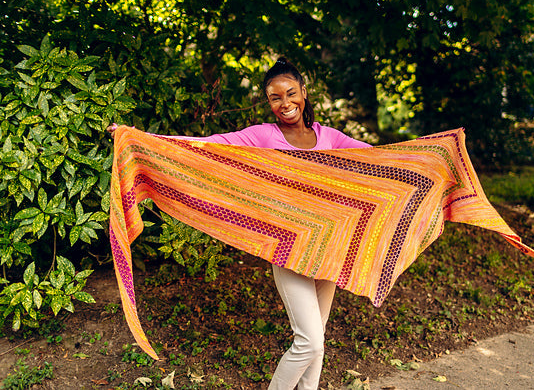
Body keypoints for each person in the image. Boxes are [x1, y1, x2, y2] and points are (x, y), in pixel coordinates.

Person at [109, 57, 371, 389]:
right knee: (310, 342)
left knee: (316, 347)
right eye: (276, 98)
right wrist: (140, 139)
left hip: (328, 250)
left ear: (304, 93)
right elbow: (208, 145)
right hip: (289, 251)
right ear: (269, 102)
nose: (285, 103)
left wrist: (427, 158)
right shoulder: (263, 136)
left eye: (291, 94)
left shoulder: (329, 137)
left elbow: (378, 159)